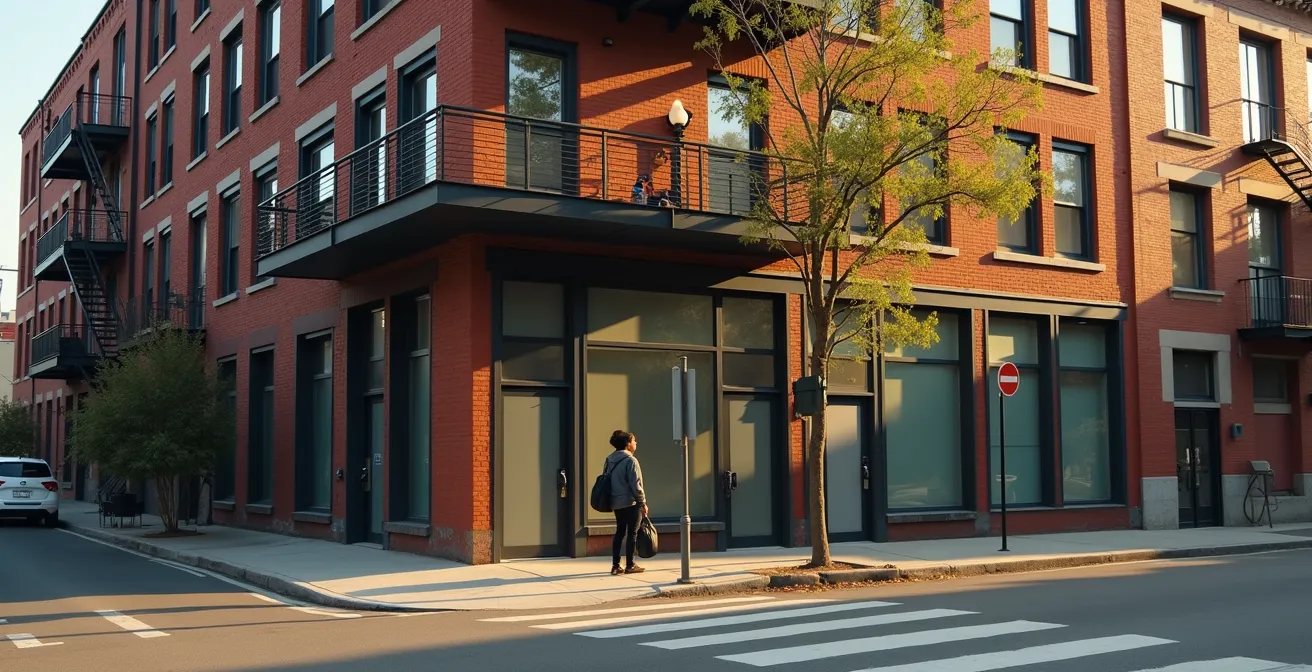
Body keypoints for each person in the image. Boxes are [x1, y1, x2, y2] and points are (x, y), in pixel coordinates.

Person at [604, 430, 647, 575]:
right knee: (632, 533)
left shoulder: (609, 459)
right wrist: (642, 502)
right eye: (634, 441)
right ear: (628, 444)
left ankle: (616, 565)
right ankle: (630, 565)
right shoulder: (631, 461)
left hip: (616, 501)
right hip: (631, 502)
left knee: (620, 532)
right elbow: (636, 484)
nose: (636, 443)